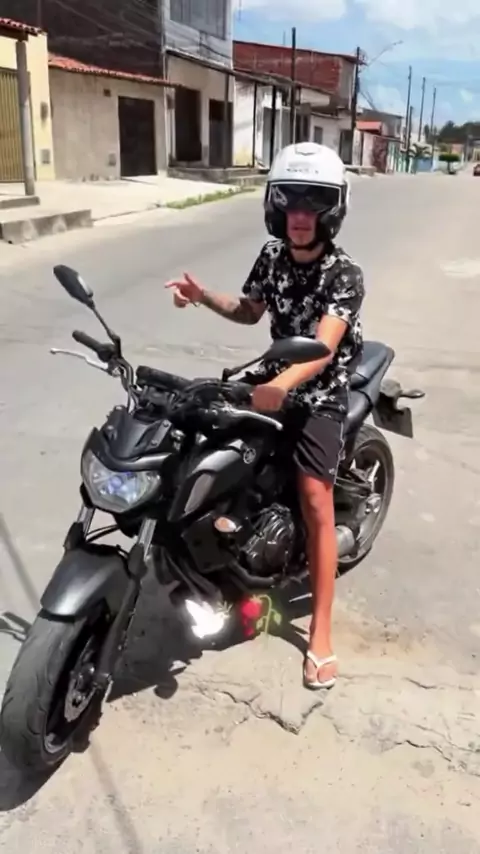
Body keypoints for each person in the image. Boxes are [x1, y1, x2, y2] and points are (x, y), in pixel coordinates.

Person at [166, 142, 365, 690]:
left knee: (316, 499)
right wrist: (201, 295)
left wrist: (281, 385)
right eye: (291, 201)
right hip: (272, 381)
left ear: (332, 210)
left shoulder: (345, 274)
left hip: (319, 392)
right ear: (277, 206)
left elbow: (324, 348)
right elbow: (250, 310)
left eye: (313, 202)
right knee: (206, 443)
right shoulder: (272, 256)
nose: (300, 214)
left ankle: (320, 632)